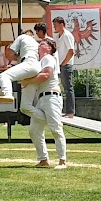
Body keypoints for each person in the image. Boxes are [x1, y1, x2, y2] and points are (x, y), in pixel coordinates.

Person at [21, 39, 66, 169]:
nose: (39, 45)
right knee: (34, 131)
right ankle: (43, 160)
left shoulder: (48, 58)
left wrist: (27, 81)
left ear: (49, 48)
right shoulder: (40, 61)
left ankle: (62, 161)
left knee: (56, 129)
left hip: (51, 97)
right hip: (42, 98)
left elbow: (46, 75)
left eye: (43, 44)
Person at [0, 32, 41, 114]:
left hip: (28, 64)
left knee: (2, 76)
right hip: (37, 67)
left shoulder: (21, 37)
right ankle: (45, 118)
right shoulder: (36, 43)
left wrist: (13, 54)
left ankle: (7, 94)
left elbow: (10, 55)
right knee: (25, 107)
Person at [52, 16, 76, 118]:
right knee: (63, 88)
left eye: (56, 25)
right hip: (60, 65)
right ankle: (64, 110)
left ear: (62, 25)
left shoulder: (67, 35)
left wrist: (63, 63)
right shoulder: (59, 36)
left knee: (68, 88)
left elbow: (71, 51)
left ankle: (70, 112)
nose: (54, 27)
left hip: (65, 65)